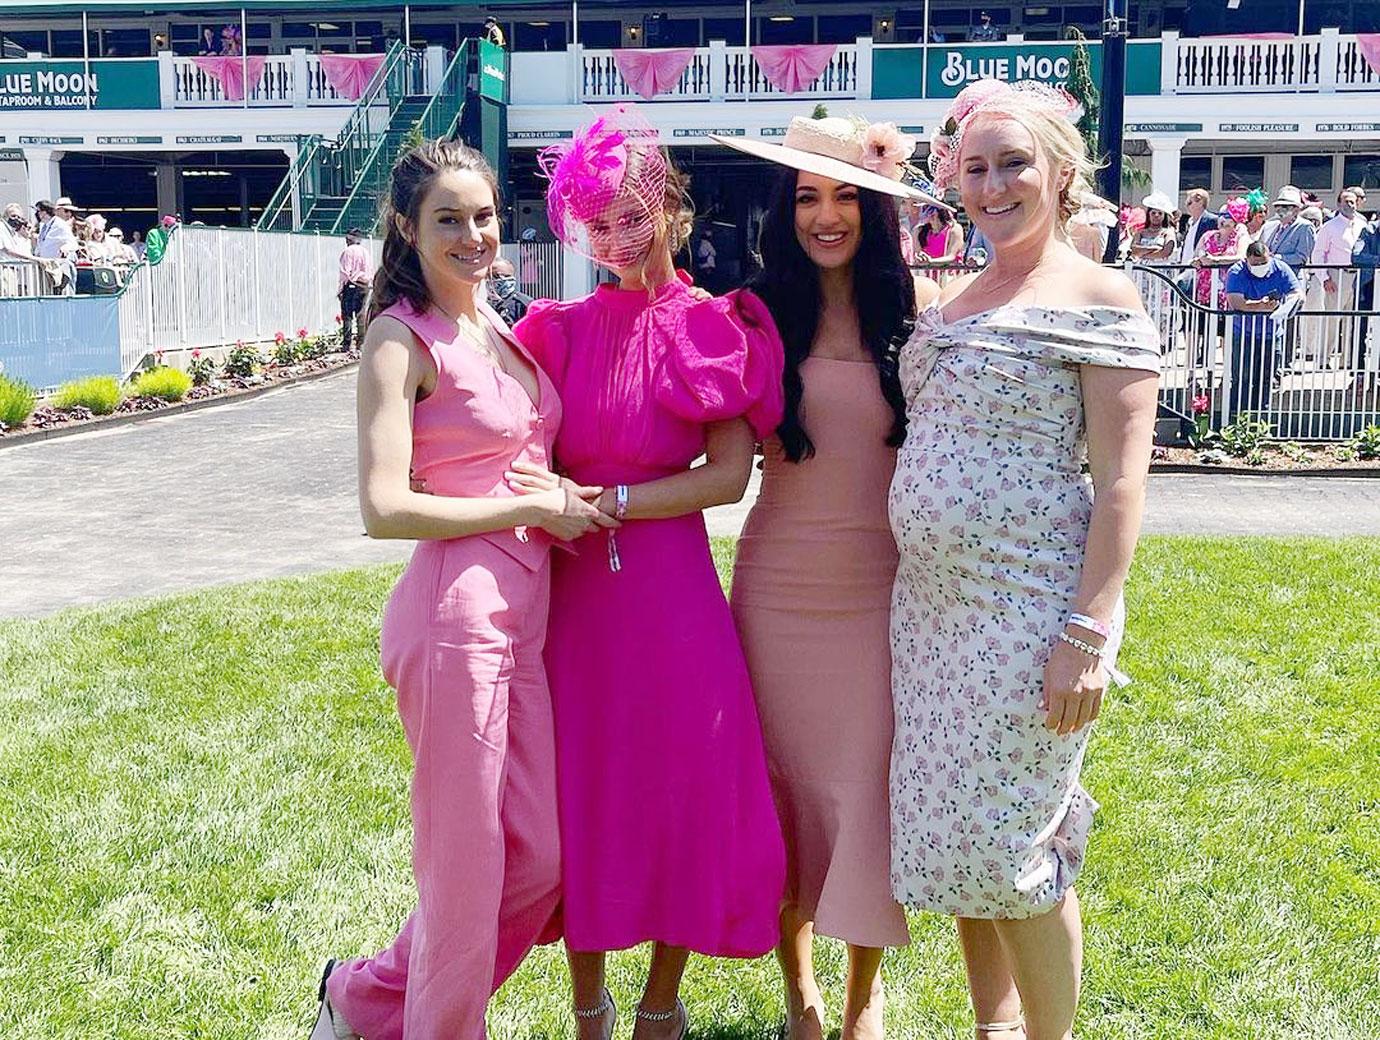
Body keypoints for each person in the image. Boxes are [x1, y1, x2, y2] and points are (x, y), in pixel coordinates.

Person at [311, 140, 604, 1040]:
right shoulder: (400, 339)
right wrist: (526, 503)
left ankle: (360, 999)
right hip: (453, 621)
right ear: (407, 226)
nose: (474, 234)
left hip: (525, 620)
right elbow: (382, 506)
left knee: (540, 863)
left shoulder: (498, 327)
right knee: (466, 873)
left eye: (482, 215)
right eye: (449, 218)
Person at [892, 79, 1161, 1040]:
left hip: (1030, 614)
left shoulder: (1098, 295)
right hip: (926, 620)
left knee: (1012, 844)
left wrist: (1087, 633)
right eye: (977, 167)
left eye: (1015, 163)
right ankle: (993, 1027)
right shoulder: (957, 296)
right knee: (952, 838)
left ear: (1059, 172)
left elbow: (1124, 484)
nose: (995, 183)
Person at [513, 106, 787, 1040]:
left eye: (633, 215)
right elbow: (513, 451)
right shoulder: (555, 331)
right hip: (578, 605)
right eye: (598, 224)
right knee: (580, 793)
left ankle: (661, 1002)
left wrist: (614, 504)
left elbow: (727, 473)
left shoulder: (715, 326)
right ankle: (588, 1007)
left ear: (671, 207)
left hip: (673, 602)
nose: (619, 240)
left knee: (687, 790)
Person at [715, 114, 944, 1040]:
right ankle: (799, 996)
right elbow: (719, 456)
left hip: (881, 596)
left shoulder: (922, 315)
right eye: (808, 196)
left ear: (878, 207)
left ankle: (863, 999)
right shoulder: (753, 312)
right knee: (784, 793)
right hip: (774, 593)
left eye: (847, 194)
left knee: (861, 793)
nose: (826, 215)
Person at [1223, 239, 1303, 421]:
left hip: (1272, 333)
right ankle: (1237, 418)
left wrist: (1292, 302)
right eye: (1256, 264)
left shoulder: (1280, 268)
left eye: (1264, 263)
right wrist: (1261, 306)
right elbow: (1236, 302)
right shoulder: (1237, 271)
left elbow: (1296, 292)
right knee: (1241, 377)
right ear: (1247, 260)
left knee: (1267, 378)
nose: (1260, 266)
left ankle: (1261, 419)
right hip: (1243, 333)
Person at [1311, 187, 1368, 363]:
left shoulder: (1363, 224)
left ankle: (1348, 360)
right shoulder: (1329, 227)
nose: (1350, 205)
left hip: (1359, 276)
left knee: (1354, 321)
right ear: (1339, 204)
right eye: (1346, 201)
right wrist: (1324, 278)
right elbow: (1318, 254)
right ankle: (1323, 359)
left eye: (1352, 201)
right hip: (1337, 276)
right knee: (1332, 320)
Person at [1191, 197, 1248, 308]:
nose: (1221, 219)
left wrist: (1216, 260)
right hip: (1206, 292)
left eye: (1226, 216)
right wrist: (1197, 261)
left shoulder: (1240, 236)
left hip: (1229, 292)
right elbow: (1197, 255)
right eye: (1220, 215)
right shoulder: (1207, 236)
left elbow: (1242, 257)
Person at [1352, 212, 1379, 396]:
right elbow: (1356, 257)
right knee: (1359, 330)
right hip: (1368, 287)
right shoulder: (1369, 230)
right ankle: (1360, 374)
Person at [1264, 185, 1315, 274]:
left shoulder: (1305, 227)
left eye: (1285, 207)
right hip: (1270, 278)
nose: (1279, 210)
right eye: (1277, 206)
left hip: (1292, 278)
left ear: (1296, 209)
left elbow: (1301, 258)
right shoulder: (1269, 226)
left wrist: (1275, 258)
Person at [337, 227, 373, 351]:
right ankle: (361, 343)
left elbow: (344, 273)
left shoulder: (347, 252)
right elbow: (369, 270)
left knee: (347, 315)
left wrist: (340, 289)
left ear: (349, 239)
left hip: (351, 284)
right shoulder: (365, 252)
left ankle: (347, 344)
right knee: (361, 313)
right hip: (364, 285)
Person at [1128, 191, 1177, 261]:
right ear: (1149, 214)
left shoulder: (1168, 233)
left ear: (1164, 216)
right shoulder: (1140, 232)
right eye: (1153, 213)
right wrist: (1154, 248)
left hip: (1160, 269)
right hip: (1141, 269)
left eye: (1160, 213)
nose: (1156, 216)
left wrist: (1142, 254)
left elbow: (1166, 252)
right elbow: (1133, 249)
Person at [1176, 188, 1219, 265]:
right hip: (1186, 268)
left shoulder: (1211, 221)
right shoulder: (1189, 222)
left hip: (1200, 269)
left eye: (1189, 202)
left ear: (1200, 202)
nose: (1186, 205)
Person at [486, 255, 532, 325]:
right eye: (487, 276)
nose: (490, 280)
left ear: (510, 278)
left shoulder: (524, 304)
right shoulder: (486, 305)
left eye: (496, 276)